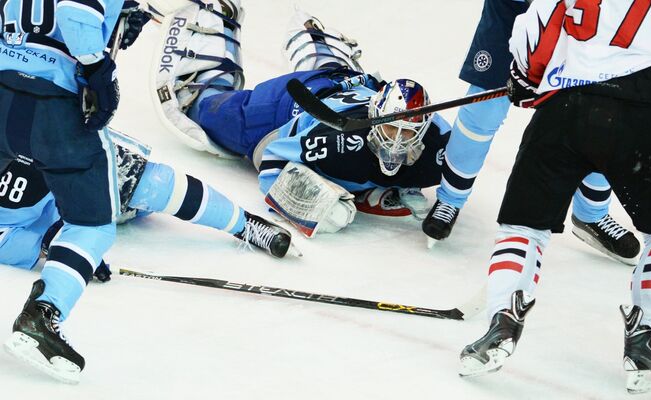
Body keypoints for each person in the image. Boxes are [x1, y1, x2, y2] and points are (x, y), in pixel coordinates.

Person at [458, 0, 651, 394]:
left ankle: (501, 323)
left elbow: (532, 31)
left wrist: (525, 77)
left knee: (522, 227)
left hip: (561, 114)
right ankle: (644, 343)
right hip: (632, 117)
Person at [153, 4, 450, 237]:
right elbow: (272, 161)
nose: (397, 140)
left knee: (335, 74)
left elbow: (468, 157)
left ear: (424, 126)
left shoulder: (439, 142)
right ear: (374, 116)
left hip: (346, 84)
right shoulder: (336, 141)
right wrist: (315, 204)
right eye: (390, 127)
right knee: (205, 110)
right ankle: (214, 40)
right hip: (285, 108)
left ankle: (318, 44)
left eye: (408, 132)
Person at [0, 0, 152, 383]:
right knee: (92, 225)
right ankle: (43, 314)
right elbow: (76, 12)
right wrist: (98, 67)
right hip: (55, 107)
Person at [420, 0, 640, 263]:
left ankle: (592, 214)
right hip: (515, 11)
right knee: (485, 106)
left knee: (604, 110)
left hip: (588, 15)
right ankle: (450, 199)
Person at [0, 128, 297, 278]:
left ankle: (245, 224)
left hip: (71, 156)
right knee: (141, 193)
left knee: (152, 182)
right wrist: (64, 250)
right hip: (73, 214)